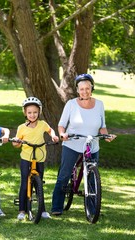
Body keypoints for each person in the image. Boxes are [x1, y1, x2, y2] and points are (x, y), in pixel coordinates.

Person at [51, 74, 116, 216]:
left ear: (92, 88)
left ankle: (92, 208)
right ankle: (56, 206)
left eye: (87, 88)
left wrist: (106, 135)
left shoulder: (99, 104)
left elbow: (102, 126)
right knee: (64, 175)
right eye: (82, 89)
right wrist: (63, 134)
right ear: (77, 90)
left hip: (92, 145)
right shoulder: (71, 104)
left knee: (92, 177)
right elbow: (61, 125)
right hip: (72, 144)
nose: (85, 91)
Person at [12, 97, 59, 220]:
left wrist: (53, 136)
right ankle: (22, 210)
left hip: (39, 157)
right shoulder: (22, 127)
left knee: (39, 184)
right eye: (29, 112)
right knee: (24, 183)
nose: (32, 115)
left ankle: (42, 210)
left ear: (39, 112)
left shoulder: (43, 124)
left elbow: (50, 130)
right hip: (26, 157)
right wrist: (16, 142)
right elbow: (16, 143)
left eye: (35, 112)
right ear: (25, 113)